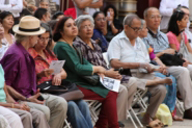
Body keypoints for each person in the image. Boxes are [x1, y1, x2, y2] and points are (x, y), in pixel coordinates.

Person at [0, 16, 68, 128]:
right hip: (20, 98)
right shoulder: (15, 54)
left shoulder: (24, 51)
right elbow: (7, 85)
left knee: (60, 103)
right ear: (30, 37)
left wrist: (39, 76)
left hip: (30, 94)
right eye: (38, 36)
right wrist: (24, 100)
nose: (38, 39)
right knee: (44, 111)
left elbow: (23, 80)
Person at [53, 17, 119, 128]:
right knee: (110, 93)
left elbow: (85, 63)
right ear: (61, 32)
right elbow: (77, 68)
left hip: (80, 82)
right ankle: (108, 125)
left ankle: (102, 125)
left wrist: (100, 71)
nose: (74, 27)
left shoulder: (71, 45)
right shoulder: (61, 46)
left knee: (113, 90)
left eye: (74, 24)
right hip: (71, 86)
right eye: (69, 26)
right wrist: (98, 69)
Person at [107, 13, 171, 125]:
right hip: (125, 74)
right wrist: (137, 65)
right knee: (134, 81)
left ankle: (148, 116)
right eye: (135, 29)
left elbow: (145, 63)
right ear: (126, 27)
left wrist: (155, 69)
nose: (138, 32)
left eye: (139, 29)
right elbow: (114, 63)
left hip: (142, 73)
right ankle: (115, 120)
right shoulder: (117, 41)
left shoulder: (140, 42)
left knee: (161, 89)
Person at [29, 23, 93, 128]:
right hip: (43, 91)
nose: (44, 42)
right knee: (72, 105)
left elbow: (64, 73)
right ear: (35, 37)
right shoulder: (30, 54)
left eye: (47, 39)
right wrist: (40, 75)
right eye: (41, 39)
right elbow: (27, 79)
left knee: (83, 104)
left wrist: (58, 75)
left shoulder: (49, 53)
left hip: (56, 89)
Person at [144, 7, 192, 119]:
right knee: (183, 72)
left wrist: (181, 60)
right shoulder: (144, 36)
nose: (156, 20)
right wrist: (163, 52)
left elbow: (171, 54)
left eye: (158, 17)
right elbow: (148, 57)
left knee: (189, 68)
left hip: (168, 64)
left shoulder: (162, 35)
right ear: (145, 19)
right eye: (153, 17)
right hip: (155, 67)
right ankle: (189, 108)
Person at [138, 19, 182, 121]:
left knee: (171, 79)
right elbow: (147, 61)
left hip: (153, 68)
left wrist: (162, 66)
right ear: (138, 30)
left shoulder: (144, 42)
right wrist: (157, 68)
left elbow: (153, 56)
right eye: (144, 28)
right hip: (145, 71)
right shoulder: (136, 42)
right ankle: (159, 112)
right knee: (167, 81)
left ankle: (169, 111)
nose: (146, 30)